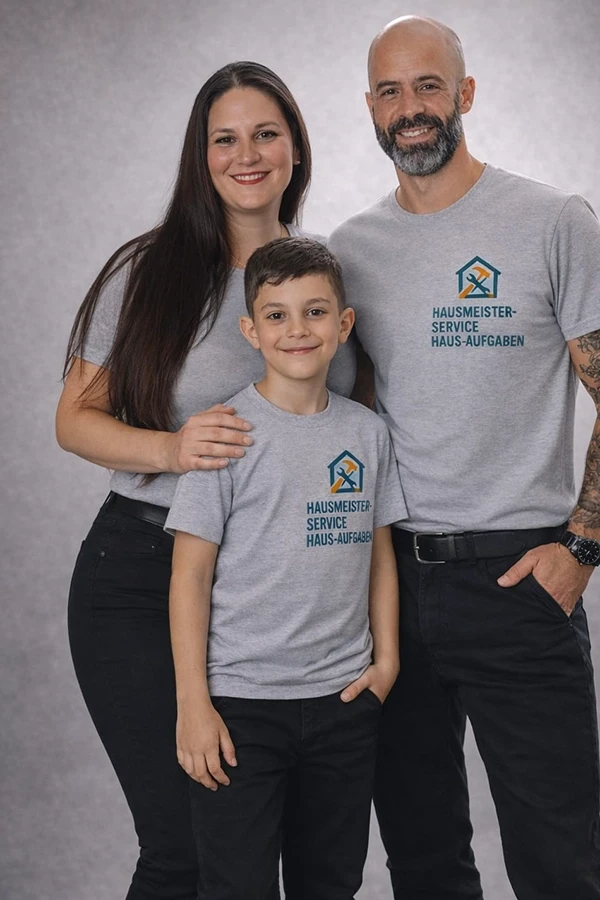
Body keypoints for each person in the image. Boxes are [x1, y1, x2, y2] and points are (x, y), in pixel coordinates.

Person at [56, 63, 356, 899]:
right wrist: (174, 448)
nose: (247, 155)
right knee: (185, 846)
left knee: (261, 852)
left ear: (295, 145)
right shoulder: (150, 272)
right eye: (225, 138)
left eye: (266, 133)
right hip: (142, 574)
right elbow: (73, 419)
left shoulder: (323, 279)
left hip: (268, 594)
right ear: (202, 155)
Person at [328, 15, 600, 900]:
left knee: (561, 858)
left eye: (429, 86)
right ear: (370, 106)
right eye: (391, 91)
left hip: (520, 576)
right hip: (390, 583)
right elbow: (346, 415)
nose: (411, 110)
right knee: (422, 853)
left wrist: (584, 549)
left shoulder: (553, 221)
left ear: (466, 94)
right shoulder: (351, 253)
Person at [164, 236, 406, 899]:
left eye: (316, 312)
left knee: (329, 883)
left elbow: (378, 555)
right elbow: (188, 577)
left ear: (344, 325)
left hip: (343, 704)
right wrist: (194, 705)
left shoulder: (367, 434)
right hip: (241, 709)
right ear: (251, 330)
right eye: (277, 315)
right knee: (237, 885)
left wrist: (385, 664)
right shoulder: (225, 433)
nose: (297, 330)